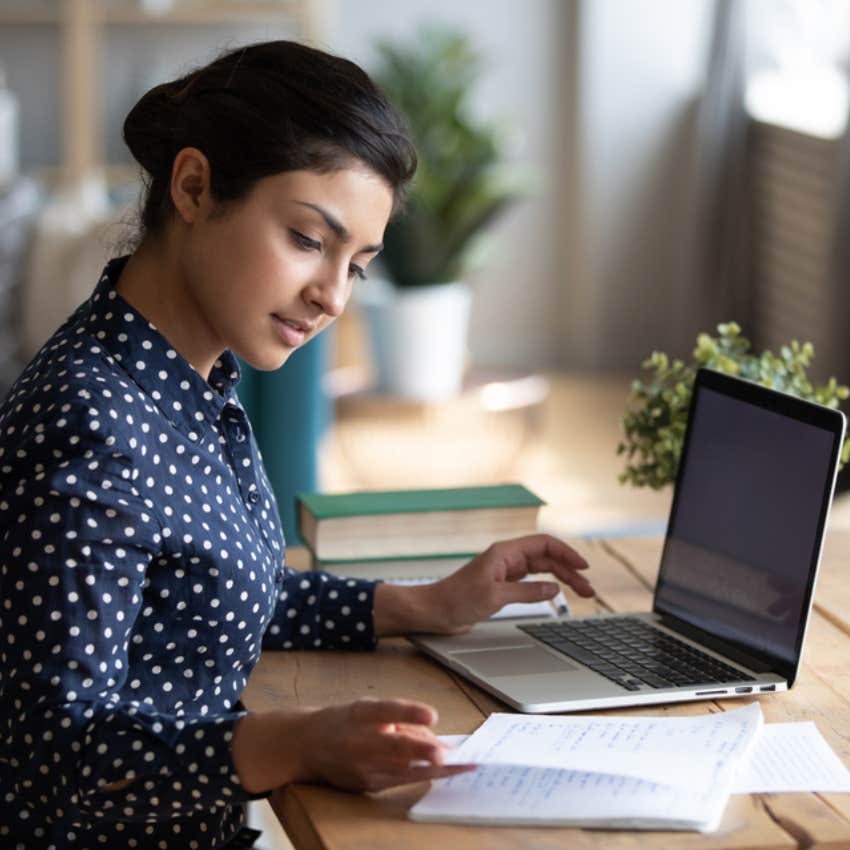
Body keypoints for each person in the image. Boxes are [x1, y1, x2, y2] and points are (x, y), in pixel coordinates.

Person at [0, 40, 594, 849]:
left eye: (358, 264)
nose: (332, 296)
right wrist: (296, 741)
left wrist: (425, 603)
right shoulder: (94, 424)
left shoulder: (187, 380)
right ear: (195, 187)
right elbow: (51, 757)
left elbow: (202, 599)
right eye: (310, 240)